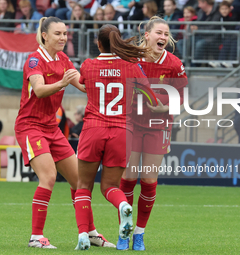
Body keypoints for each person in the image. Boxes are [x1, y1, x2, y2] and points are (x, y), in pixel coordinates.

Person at [14, 17, 114, 249]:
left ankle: (90, 233)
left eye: (65, 34)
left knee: (80, 182)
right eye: (58, 33)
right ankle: (36, 237)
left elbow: (82, 84)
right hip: (30, 127)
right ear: (45, 35)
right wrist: (61, 82)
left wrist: (106, 87)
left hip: (51, 128)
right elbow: (38, 90)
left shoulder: (63, 59)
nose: (63, 38)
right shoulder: (34, 60)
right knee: (48, 177)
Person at [74, 24, 150, 250]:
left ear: (98, 43)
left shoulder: (88, 65)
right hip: (121, 131)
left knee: (83, 186)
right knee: (109, 186)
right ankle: (123, 205)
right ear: (118, 41)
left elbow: (85, 86)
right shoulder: (132, 66)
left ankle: (82, 236)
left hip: (93, 129)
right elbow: (148, 94)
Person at [119, 16, 188, 251]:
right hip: (131, 125)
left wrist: (165, 106)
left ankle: (139, 233)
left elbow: (182, 97)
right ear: (146, 34)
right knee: (127, 179)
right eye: (159, 33)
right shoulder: (130, 58)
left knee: (148, 180)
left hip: (159, 126)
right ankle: (124, 231)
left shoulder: (174, 64)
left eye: (166, 34)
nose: (163, 37)